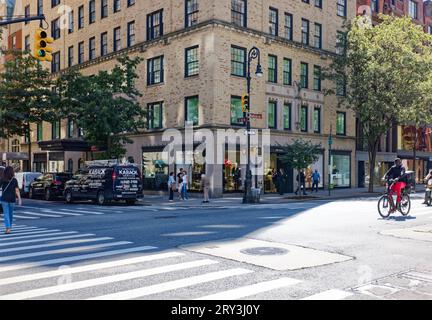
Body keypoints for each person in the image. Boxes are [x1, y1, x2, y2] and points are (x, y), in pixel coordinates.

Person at [0, 166, 22, 234]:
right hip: (12, 199)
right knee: (10, 214)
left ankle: (8, 228)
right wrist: (19, 199)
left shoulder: (2, 179)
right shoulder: (14, 180)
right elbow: (17, 190)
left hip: (4, 199)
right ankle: (9, 227)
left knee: (6, 214)